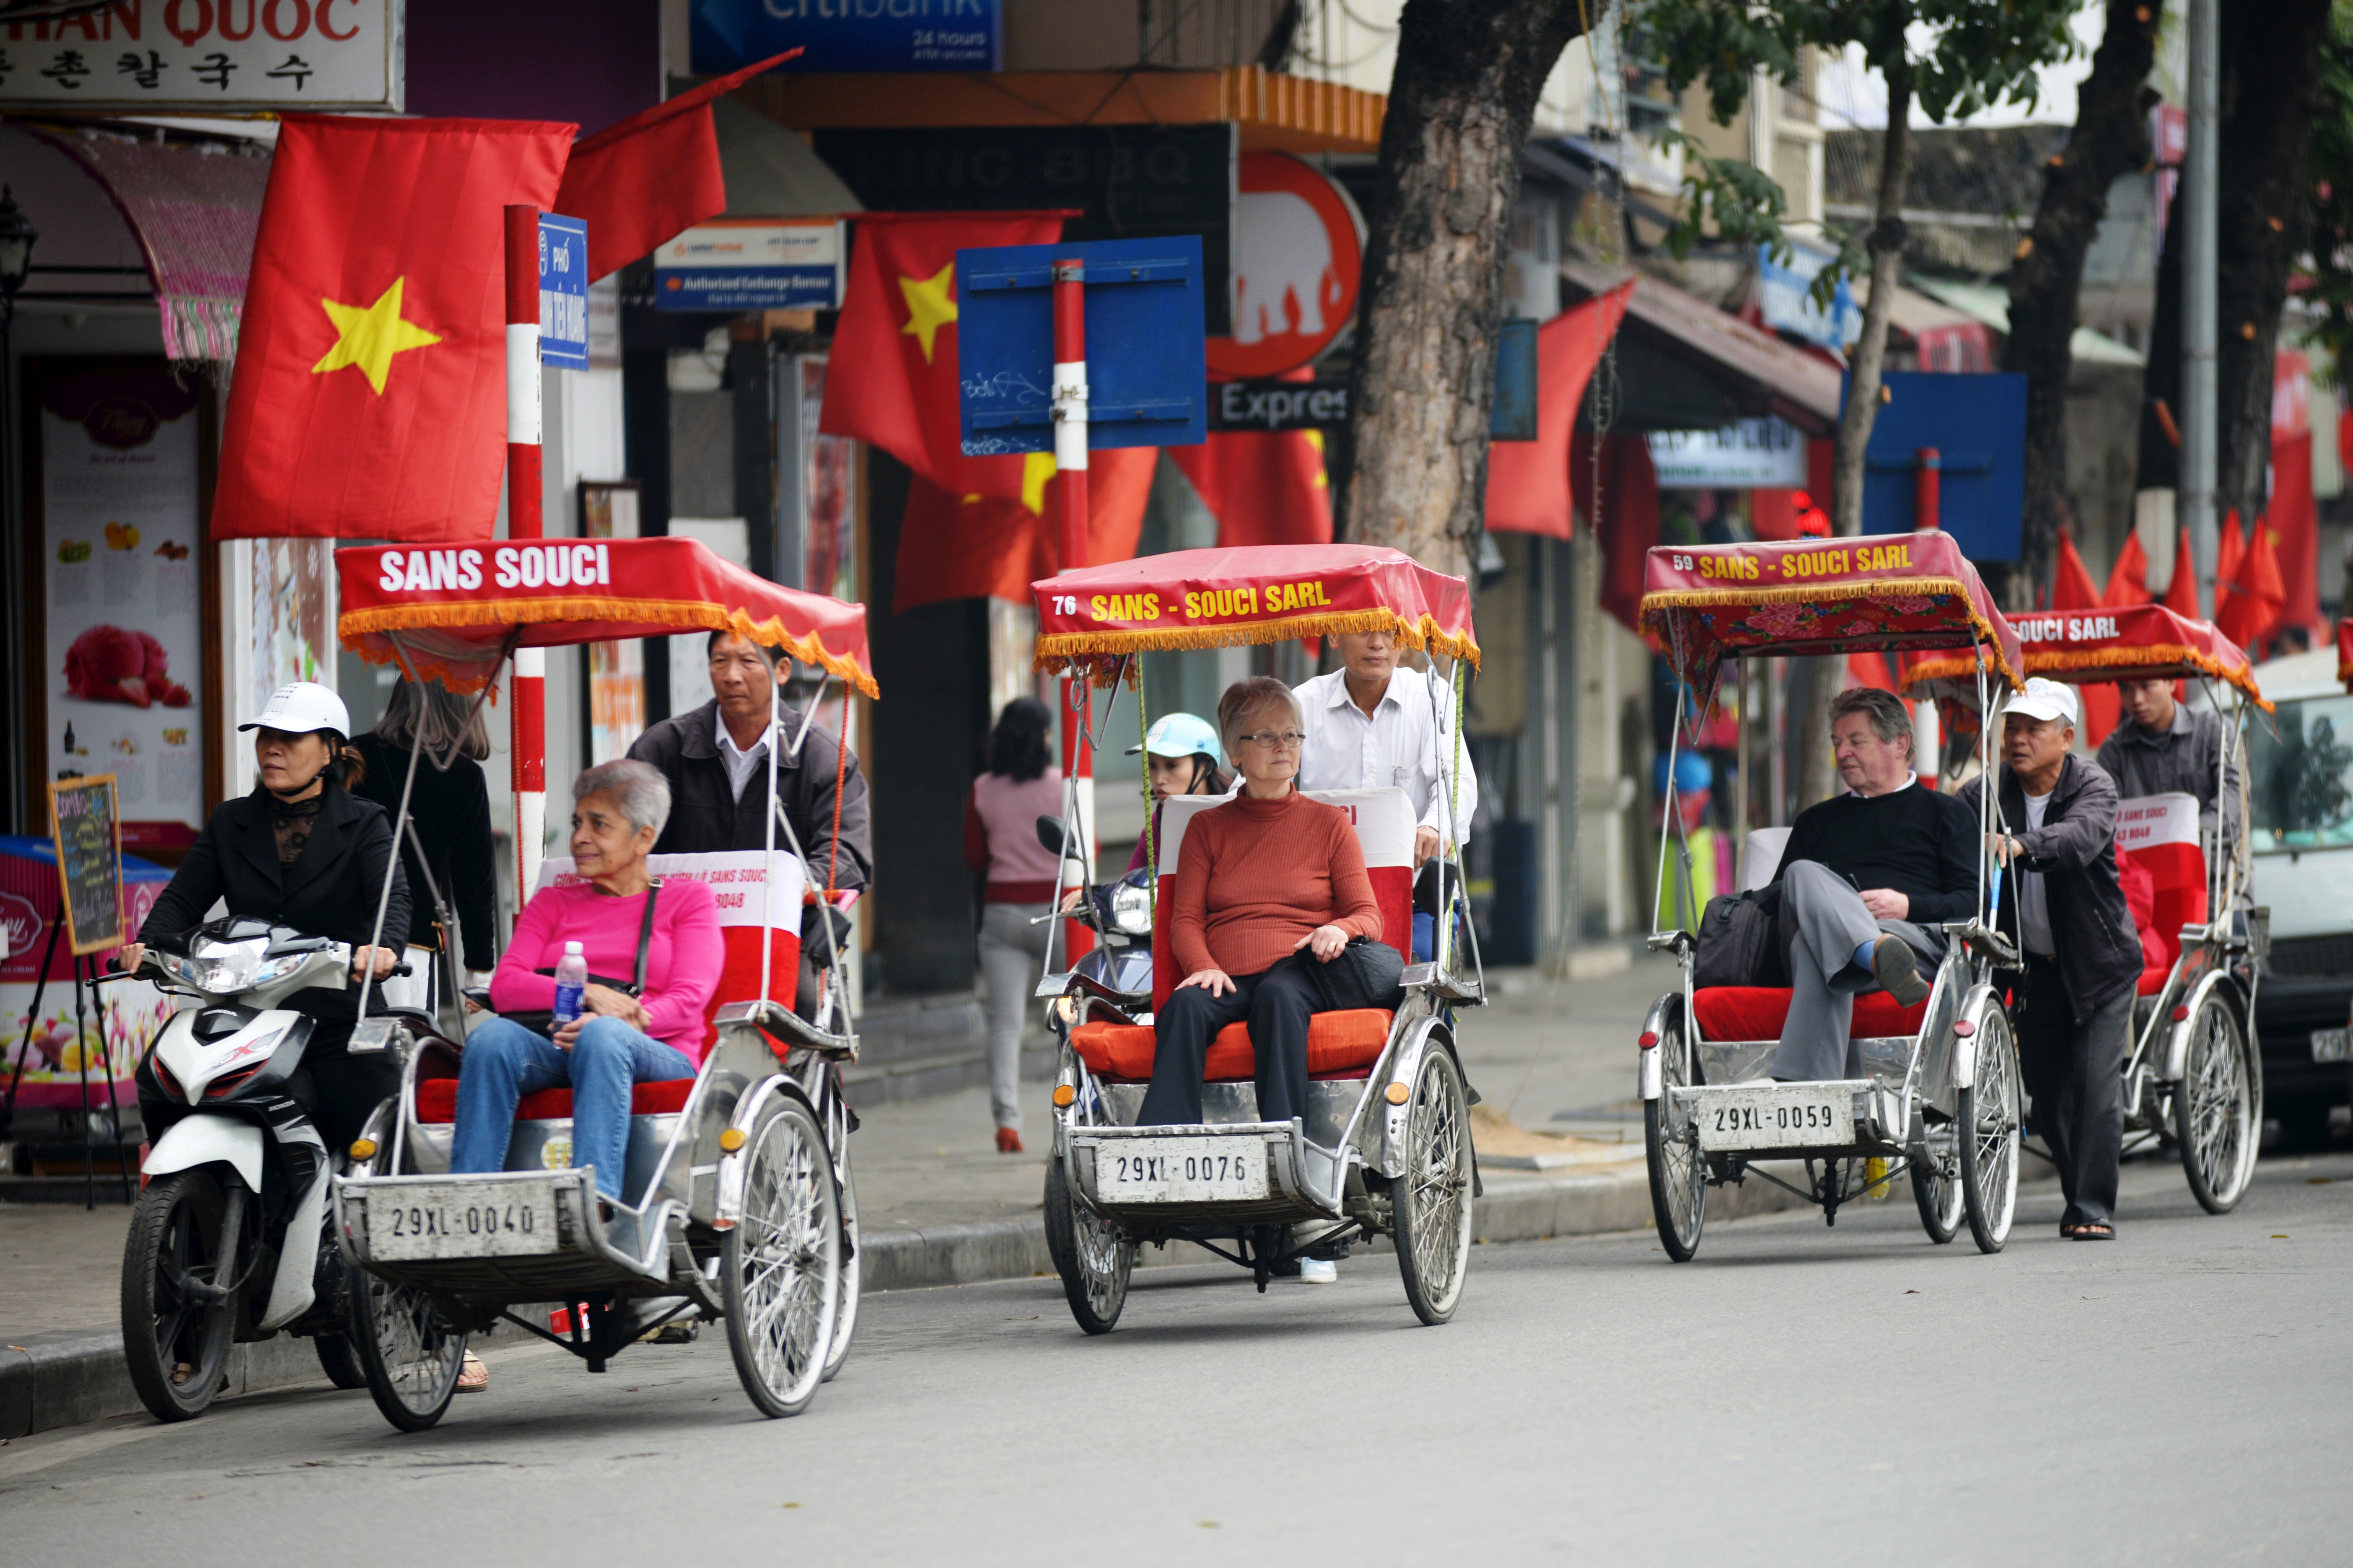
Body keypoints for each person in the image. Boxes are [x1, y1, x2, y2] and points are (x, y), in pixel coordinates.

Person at [1144, 678, 1386, 1283]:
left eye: (1292, 735)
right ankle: (1167, 1167)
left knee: (1279, 998)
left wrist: (1339, 928)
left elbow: (1368, 913)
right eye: (1266, 736)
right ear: (1234, 751)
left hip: (1298, 967)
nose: (1284, 747)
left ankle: (1295, 1199)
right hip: (1225, 971)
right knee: (1183, 1008)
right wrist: (1201, 966)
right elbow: (1185, 919)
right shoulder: (1206, 828)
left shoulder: (1329, 824)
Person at [123, 682, 407, 1154]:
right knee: (168, 1086)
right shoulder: (230, 821)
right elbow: (182, 899)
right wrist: (147, 944)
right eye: (264, 736)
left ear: (329, 751)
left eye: (290, 738)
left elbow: (392, 898)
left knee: (383, 1134)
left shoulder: (366, 822)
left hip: (338, 1018)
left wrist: (385, 947)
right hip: (248, 1016)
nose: (272, 748)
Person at [451, 761, 721, 1196]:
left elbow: (689, 999)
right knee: (491, 1039)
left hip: (658, 1050)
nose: (579, 837)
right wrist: (590, 995)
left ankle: (594, 1203)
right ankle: (466, 1200)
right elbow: (506, 986)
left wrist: (621, 1021)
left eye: (600, 824)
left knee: (604, 1038)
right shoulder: (552, 901)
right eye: (578, 822)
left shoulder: (688, 900)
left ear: (644, 838)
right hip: (555, 1043)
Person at [1960, 680, 2143, 1241]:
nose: (2016, 739)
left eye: (2031, 729)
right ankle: (2077, 1193)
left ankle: (2091, 1207)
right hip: (2033, 969)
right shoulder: (1983, 794)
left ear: (2065, 737)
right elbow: (1947, 837)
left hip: (2099, 963)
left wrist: (2019, 845)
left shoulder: (2093, 784)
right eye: (2011, 726)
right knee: (2044, 1092)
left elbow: (2081, 839)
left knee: (2094, 1085)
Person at [627, 631, 871, 1019]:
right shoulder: (662, 748)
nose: (732, 676)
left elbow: (847, 856)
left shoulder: (823, 758)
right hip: (673, 932)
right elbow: (626, 843)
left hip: (780, 934)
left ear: (783, 670)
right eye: (720, 661)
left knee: (804, 1010)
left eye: (748, 661)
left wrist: (783, 887)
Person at [1760, 688, 1980, 1082]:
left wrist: (1906, 906)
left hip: (1911, 943)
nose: (1842, 753)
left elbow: (1973, 902)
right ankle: (1869, 952)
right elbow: (1777, 901)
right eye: (1836, 743)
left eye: (1855, 741)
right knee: (1802, 875)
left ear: (1900, 744)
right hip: (1843, 942)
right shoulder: (1816, 821)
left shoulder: (1947, 813)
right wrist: (1836, 909)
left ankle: (1808, 1092)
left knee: (1820, 950)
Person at [1294, 629, 1479, 960]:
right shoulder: (1303, 704)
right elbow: (1263, 784)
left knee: (1422, 981)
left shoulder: (1431, 696)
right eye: (1363, 630)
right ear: (1335, 638)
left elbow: (1456, 781)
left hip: (1414, 898)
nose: (1378, 643)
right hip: (1321, 903)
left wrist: (1435, 827)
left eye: (1390, 632)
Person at [350, 678, 498, 1012]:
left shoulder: (354, 756)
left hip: (341, 937)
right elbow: (474, 881)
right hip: (408, 943)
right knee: (402, 1049)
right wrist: (478, 971)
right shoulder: (463, 775)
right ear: (459, 708)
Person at [964, 698, 1062, 1154]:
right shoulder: (1063, 785)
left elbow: (974, 858)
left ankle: (1007, 1123)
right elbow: (1087, 845)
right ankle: (1079, 1107)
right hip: (1060, 915)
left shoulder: (982, 788)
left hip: (1002, 914)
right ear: (1042, 738)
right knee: (1078, 1014)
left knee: (1004, 1025)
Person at [2098, 675, 2242, 867]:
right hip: (2145, 882)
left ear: (2172, 682)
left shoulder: (2214, 729)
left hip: (2216, 876)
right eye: (2126, 689)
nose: (2137, 699)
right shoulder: (2113, 751)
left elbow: (2235, 794)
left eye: (2146, 685)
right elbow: (2109, 819)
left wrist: (2186, 835)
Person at [1125, 712, 1231, 872]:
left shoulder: (1236, 817)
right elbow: (1129, 885)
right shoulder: (1158, 823)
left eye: (1172, 766)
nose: (1159, 780)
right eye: (1152, 766)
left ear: (1205, 765)